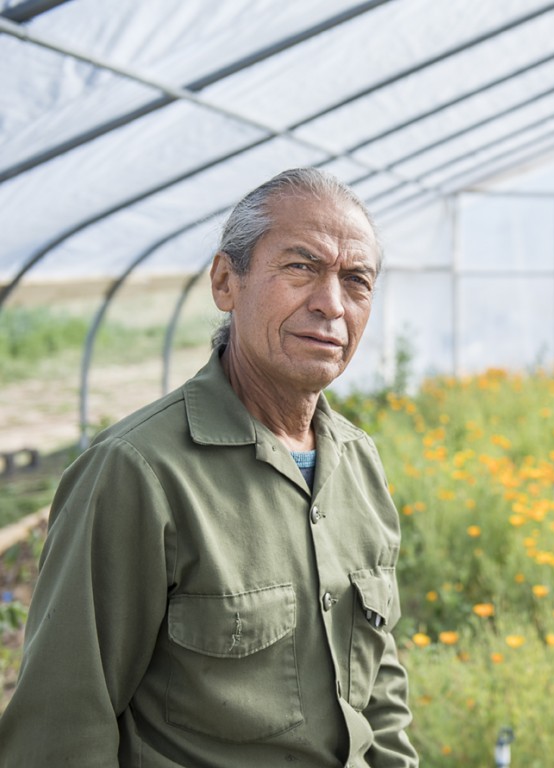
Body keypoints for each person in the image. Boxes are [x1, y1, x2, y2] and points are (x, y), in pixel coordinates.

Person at [0, 168, 418, 767]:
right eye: (301, 267)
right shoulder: (137, 472)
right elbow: (63, 728)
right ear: (226, 282)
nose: (331, 304)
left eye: (357, 281)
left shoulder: (357, 461)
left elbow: (377, 690)